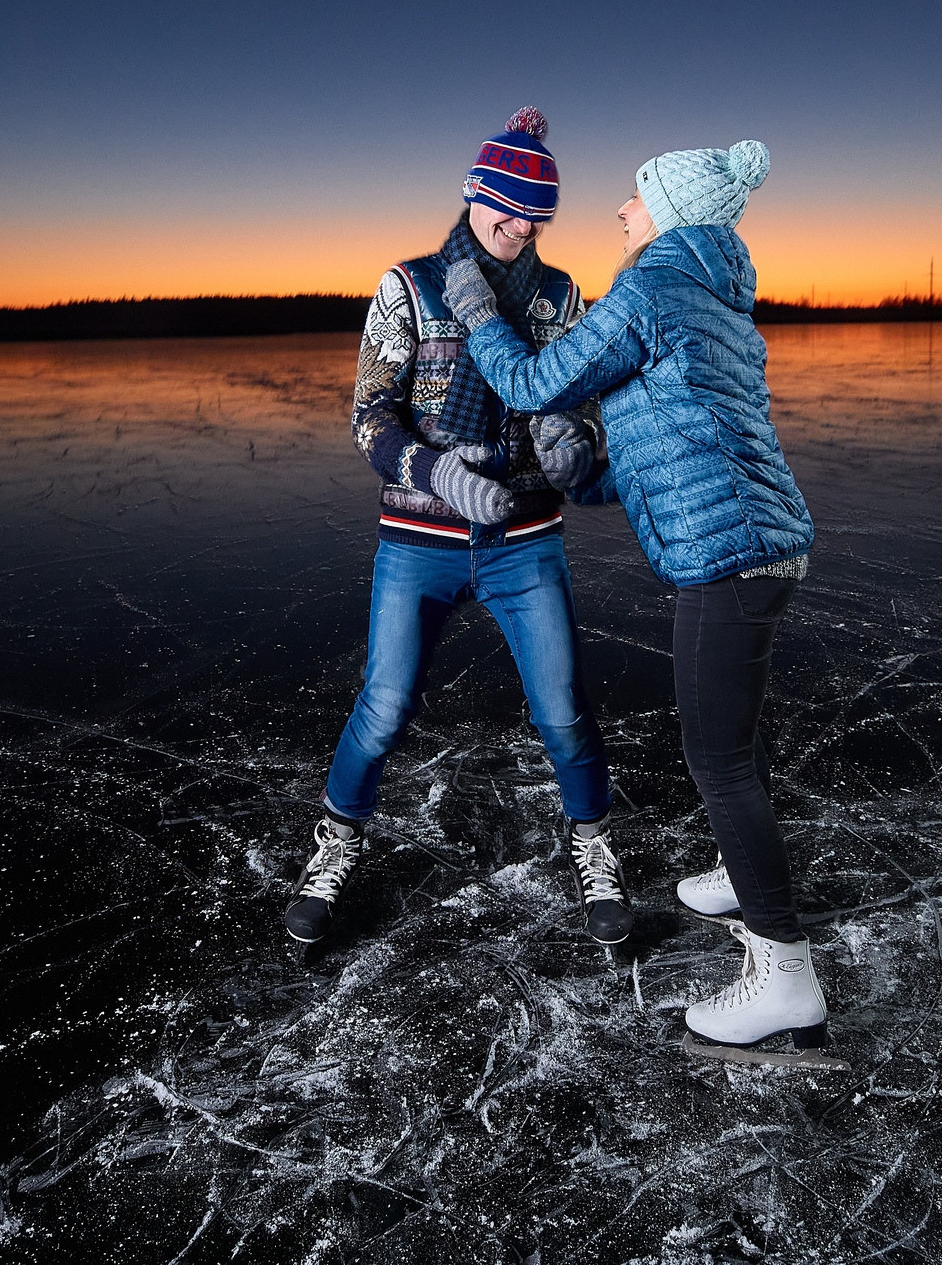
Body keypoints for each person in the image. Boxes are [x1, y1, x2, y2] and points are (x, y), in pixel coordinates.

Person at [443, 139, 829, 1064]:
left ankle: (786, 979)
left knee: (718, 760)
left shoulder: (653, 286)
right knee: (731, 745)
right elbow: (687, 443)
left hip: (730, 558)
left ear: (669, 214)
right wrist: (590, 477)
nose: (619, 211)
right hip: (762, 543)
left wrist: (472, 310)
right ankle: (742, 877)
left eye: (633, 196)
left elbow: (536, 382)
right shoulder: (717, 299)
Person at [284, 107, 634, 950]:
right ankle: (334, 846)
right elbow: (370, 415)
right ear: (474, 196)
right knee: (385, 705)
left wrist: (576, 445)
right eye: (504, 209)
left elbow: (587, 405)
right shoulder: (409, 286)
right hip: (419, 541)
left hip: (526, 540)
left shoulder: (560, 297)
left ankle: (594, 847)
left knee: (563, 712)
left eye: (534, 217)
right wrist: (437, 471)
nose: (518, 228)